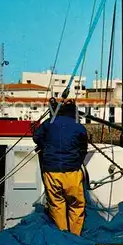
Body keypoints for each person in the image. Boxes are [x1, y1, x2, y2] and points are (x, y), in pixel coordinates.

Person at [33, 99, 88, 236]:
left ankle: (62, 235)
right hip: (72, 172)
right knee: (76, 205)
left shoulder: (49, 123)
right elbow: (83, 148)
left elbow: (36, 136)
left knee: (57, 205)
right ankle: (75, 236)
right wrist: (76, 161)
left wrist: (45, 147)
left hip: (52, 172)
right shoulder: (78, 126)